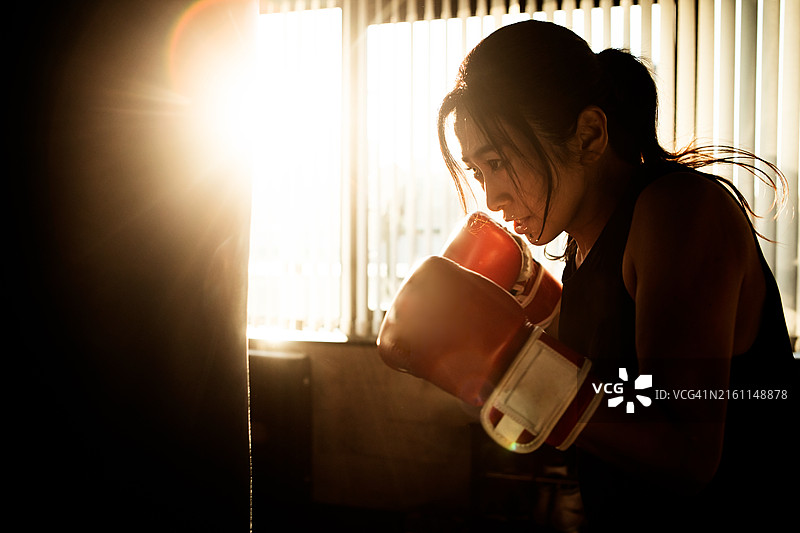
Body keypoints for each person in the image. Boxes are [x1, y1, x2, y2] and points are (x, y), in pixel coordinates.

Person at [433, 20, 797, 532]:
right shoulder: (582, 245)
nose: (492, 198)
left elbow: (686, 450)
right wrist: (524, 299)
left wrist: (512, 361)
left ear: (589, 135)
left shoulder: (678, 212)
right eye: (478, 172)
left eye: (498, 162)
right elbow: (602, 391)